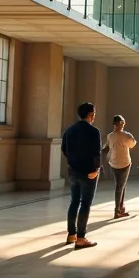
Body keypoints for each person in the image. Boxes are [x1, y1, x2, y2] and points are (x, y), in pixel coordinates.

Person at [60, 102, 101, 249]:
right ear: (90, 114)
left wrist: (73, 160)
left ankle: (71, 234)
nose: (94, 116)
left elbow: (64, 149)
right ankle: (81, 237)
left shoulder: (69, 130)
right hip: (88, 172)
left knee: (74, 201)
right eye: (94, 113)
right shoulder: (94, 132)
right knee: (85, 203)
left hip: (73, 171)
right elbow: (97, 153)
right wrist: (96, 169)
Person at [104, 114, 136, 218]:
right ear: (122, 124)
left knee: (121, 185)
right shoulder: (126, 135)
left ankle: (121, 208)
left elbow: (106, 147)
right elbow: (132, 144)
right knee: (120, 186)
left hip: (113, 163)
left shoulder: (110, 135)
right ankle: (117, 210)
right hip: (125, 164)